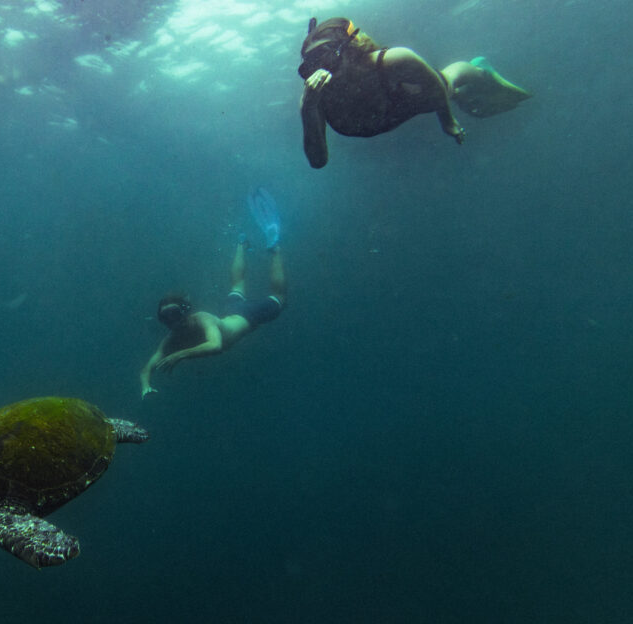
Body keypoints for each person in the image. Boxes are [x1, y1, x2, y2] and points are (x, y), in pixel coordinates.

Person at [298, 16, 532, 169]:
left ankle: (481, 71)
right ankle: (460, 95)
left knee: (448, 82)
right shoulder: (314, 99)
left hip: (410, 102)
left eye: (326, 58)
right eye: (310, 66)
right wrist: (308, 109)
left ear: (349, 49)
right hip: (387, 116)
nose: (321, 70)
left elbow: (435, 88)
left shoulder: (394, 60)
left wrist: (447, 121)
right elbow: (318, 162)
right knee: (444, 93)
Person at [140, 190, 287, 399]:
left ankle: (275, 249)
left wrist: (180, 355)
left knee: (279, 297)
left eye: (173, 315)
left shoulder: (202, 319)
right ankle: (241, 244)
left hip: (248, 315)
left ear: (185, 311)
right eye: (166, 318)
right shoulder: (172, 337)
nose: (171, 322)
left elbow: (215, 345)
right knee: (237, 285)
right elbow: (147, 367)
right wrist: (145, 386)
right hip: (232, 312)